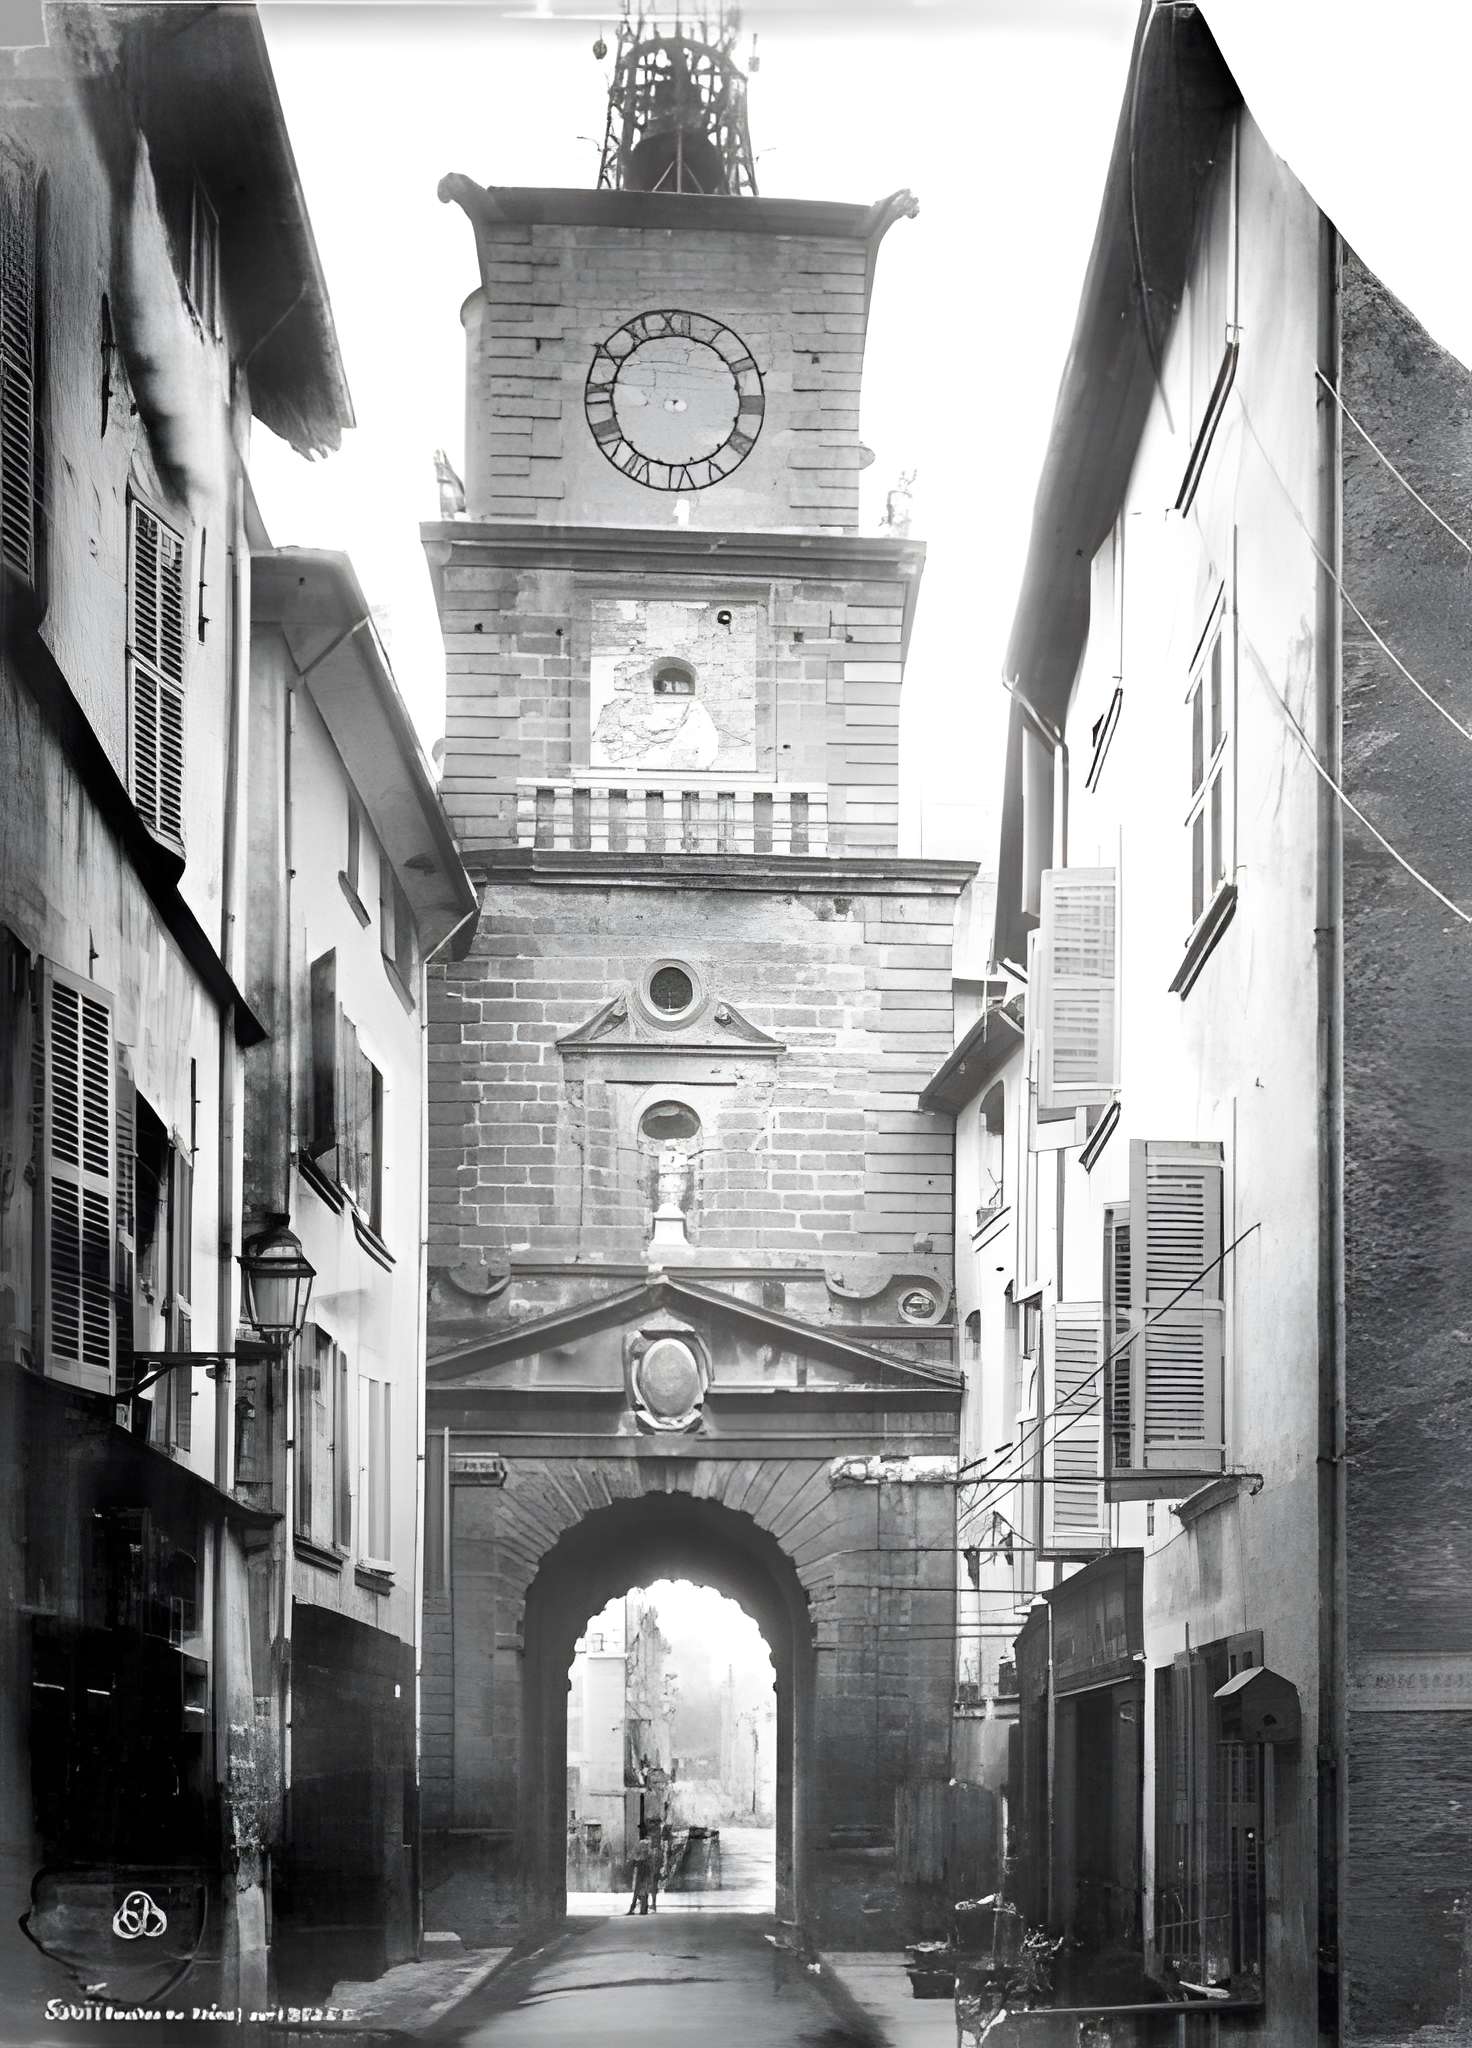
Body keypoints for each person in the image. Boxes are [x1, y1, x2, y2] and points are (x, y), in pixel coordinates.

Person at [626, 1826, 654, 1916]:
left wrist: (637, 1859)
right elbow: (650, 1856)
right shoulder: (649, 1844)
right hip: (647, 1867)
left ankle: (634, 1908)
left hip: (641, 1866)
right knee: (645, 1888)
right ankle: (643, 1908)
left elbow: (635, 1855)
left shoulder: (641, 1843)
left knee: (638, 1889)